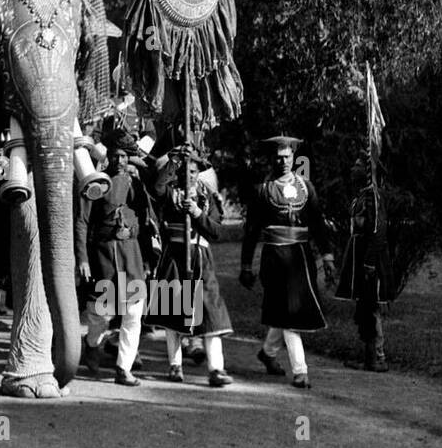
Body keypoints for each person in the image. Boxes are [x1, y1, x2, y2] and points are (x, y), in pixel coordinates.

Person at [241, 136, 335, 389]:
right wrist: (246, 266)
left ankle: (268, 353)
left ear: (294, 159)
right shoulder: (263, 190)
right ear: (272, 159)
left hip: (301, 260)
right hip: (274, 259)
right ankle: (300, 371)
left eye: (287, 157)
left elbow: (317, 223)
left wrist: (327, 257)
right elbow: (251, 231)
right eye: (278, 157)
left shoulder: (306, 187)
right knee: (289, 314)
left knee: (286, 313)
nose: (283, 162)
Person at [75, 128, 154, 385]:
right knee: (100, 313)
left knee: (134, 312)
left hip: (130, 253)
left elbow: (147, 220)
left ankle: (124, 368)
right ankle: (91, 344)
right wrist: (83, 258)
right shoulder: (95, 183)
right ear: (108, 155)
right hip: (103, 254)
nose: (121, 161)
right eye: (117, 156)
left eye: (125, 157)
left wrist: (147, 258)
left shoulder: (136, 184)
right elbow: (82, 222)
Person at [149, 149, 235, 387]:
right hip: (174, 256)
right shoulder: (169, 191)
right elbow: (156, 188)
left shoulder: (208, 198)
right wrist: (173, 161)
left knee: (211, 314)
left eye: (194, 171)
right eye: (185, 171)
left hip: (200, 256)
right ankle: (175, 365)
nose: (190, 176)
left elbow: (216, 231)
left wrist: (196, 213)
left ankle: (216, 369)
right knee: (172, 311)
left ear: (200, 173)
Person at [335, 176, 393, 372]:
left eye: (360, 164)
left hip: (371, 263)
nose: (354, 169)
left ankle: (378, 357)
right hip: (360, 258)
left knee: (371, 306)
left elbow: (378, 232)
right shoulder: (364, 196)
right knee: (365, 306)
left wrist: (369, 262)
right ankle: (369, 357)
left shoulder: (374, 198)